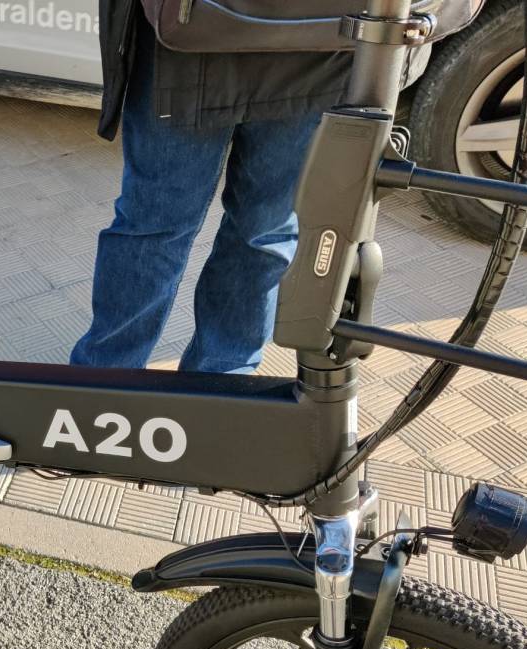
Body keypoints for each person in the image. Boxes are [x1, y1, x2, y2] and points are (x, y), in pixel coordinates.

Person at [71, 6, 423, 374]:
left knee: (250, 235)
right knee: (163, 230)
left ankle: (213, 384)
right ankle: (109, 379)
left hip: (319, 44)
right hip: (197, 41)